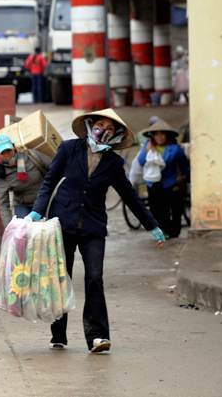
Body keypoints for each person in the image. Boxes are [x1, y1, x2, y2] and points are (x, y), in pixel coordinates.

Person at [26, 109, 165, 354]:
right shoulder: (69, 149)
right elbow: (49, 181)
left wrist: (152, 225)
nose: (104, 130)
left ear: (116, 135)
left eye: (110, 129)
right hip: (63, 223)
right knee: (62, 278)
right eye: (100, 125)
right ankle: (58, 333)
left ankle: (97, 336)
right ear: (91, 125)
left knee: (94, 277)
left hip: (93, 227)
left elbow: (129, 196)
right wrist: (37, 211)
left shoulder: (113, 162)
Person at [137, 118, 190, 239]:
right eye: (156, 134)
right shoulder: (147, 146)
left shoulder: (175, 149)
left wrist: (184, 177)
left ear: (167, 135)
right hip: (153, 184)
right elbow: (141, 161)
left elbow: (184, 166)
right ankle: (162, 231)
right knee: (157, 210)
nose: (159, 137)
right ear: (152, 136)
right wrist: (147, 150)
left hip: (170, 184)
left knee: (174, 209)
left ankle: (174, 232)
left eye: (162, 134)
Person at [0, 134, 44, 228]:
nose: (6, 154)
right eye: (2, 152)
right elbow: (3, 203)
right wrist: (9, 228)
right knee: (23, 235)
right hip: (22, 205)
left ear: (14, 147)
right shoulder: (0, 173)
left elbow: (54, 171)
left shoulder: (32, 156)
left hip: (44, 201)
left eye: (8, 150)